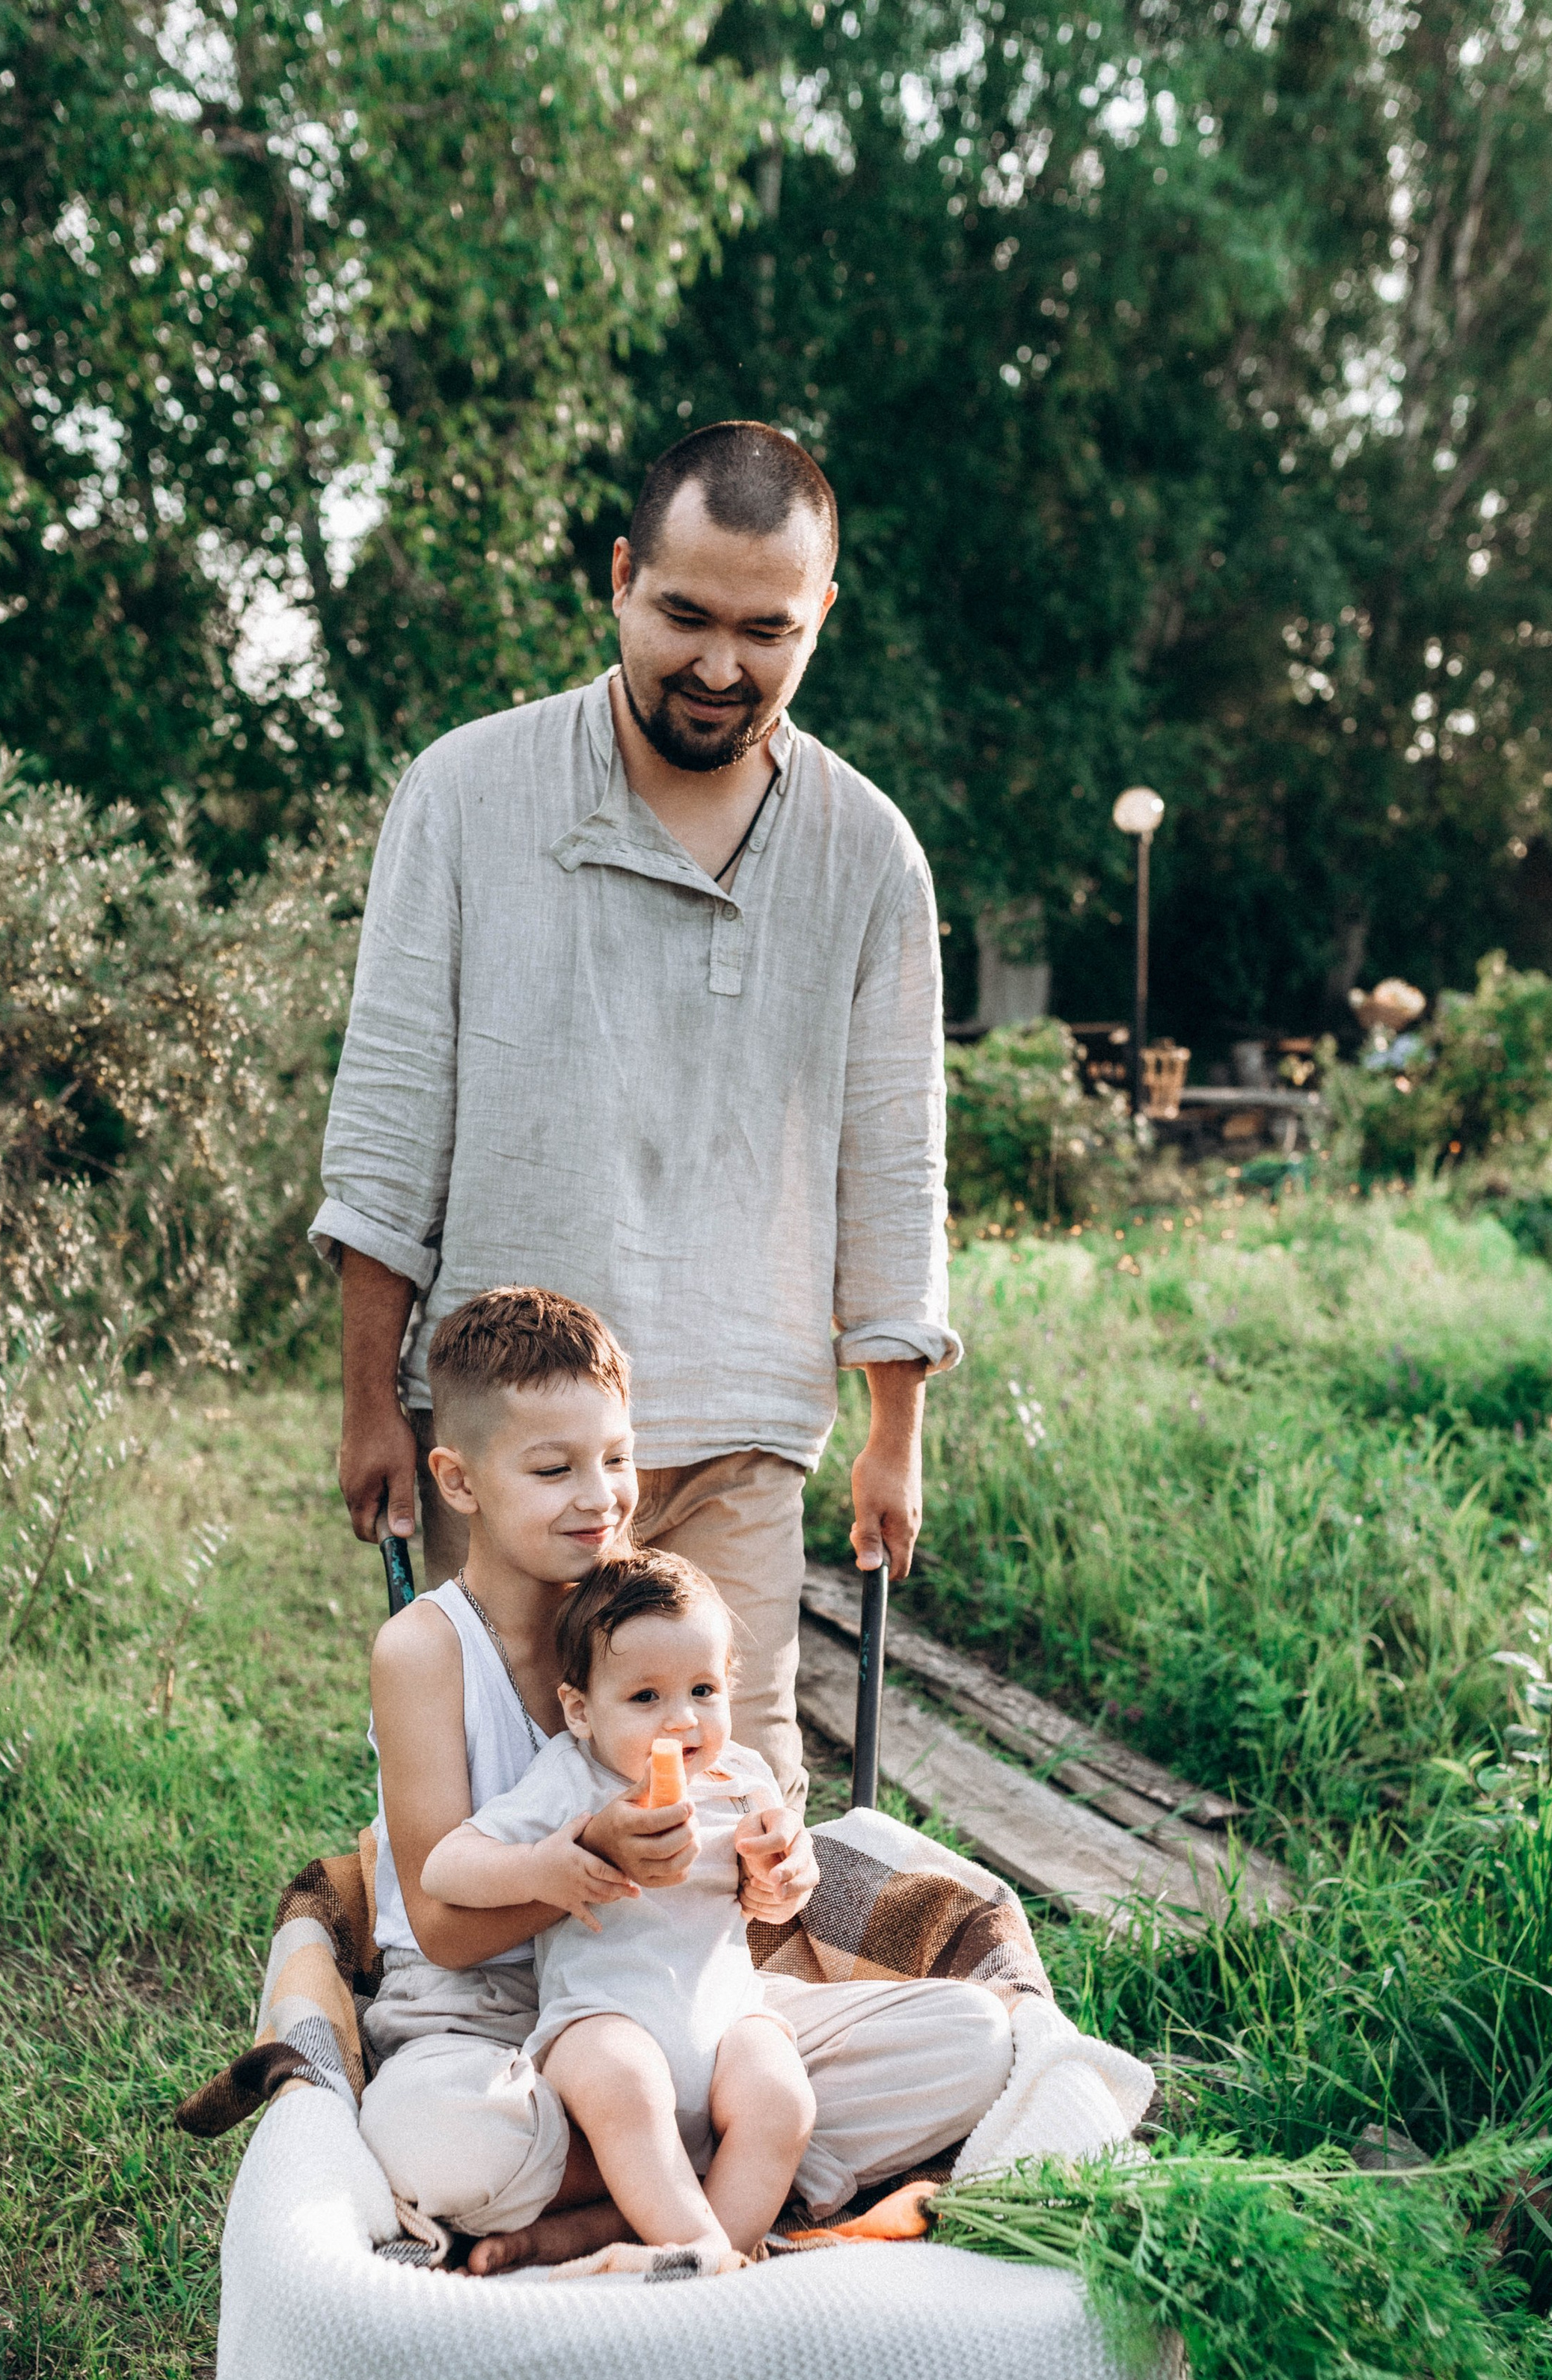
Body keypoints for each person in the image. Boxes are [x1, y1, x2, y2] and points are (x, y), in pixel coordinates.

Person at [311, 416, 960, 1807]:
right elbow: (388, 1125)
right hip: (508, 1433)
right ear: (619, 578)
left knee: (732, 1810)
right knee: (501, 1808)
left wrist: (893, 1431)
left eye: (767, 631)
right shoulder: (468, 793)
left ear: (822, 614)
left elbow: (895, 1157)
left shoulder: (869, 853)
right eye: (685, 616)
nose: (721, 666)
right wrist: (371, 1401)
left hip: (741, 1423)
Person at [358, 1286, 1013, 2273]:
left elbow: (736, 1843)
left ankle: (629, 2205)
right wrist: (597, 1862)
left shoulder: (651, 1626)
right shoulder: (426, 1650)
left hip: (677, 1998)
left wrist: (771, 1871)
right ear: (458, 1480)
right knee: (442, 2139)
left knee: (971, 2039)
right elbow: (442, 1927)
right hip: (483, 2011)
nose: (600, 1497)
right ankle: (707, 2189)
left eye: (618, 1459)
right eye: (554, 1468)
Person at [424, 1551, 815, 2269]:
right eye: (646, 1698)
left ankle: (714, 2262)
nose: (682, 1720)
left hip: (727, 2021)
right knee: (626, 2083)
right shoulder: (570, 1779)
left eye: (703, 1690)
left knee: (784, 2100)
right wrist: (546, 1866)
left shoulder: (743, 1778)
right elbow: (444, 1867)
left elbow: (778, 1891)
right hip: (603, 2022)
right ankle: (699, 2248)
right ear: (581, 1711)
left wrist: (784, 1876)